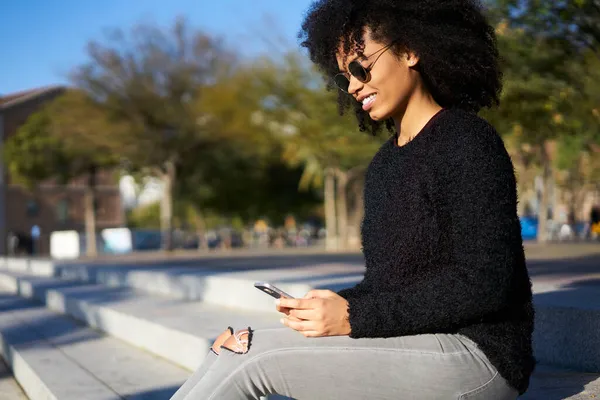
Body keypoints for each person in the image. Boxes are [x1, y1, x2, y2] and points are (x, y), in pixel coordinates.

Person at [170, 0, 534, 398]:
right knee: (232, 347)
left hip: (477, 358)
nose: (355, 85)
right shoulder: (384, 165)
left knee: (253, 357)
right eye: (345, 77)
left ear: (410, 50)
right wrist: (328, 307)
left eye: (361, 67)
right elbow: (388, 286)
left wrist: (354, 316)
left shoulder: (467, 141)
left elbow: (485, 282)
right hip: (416, 341)